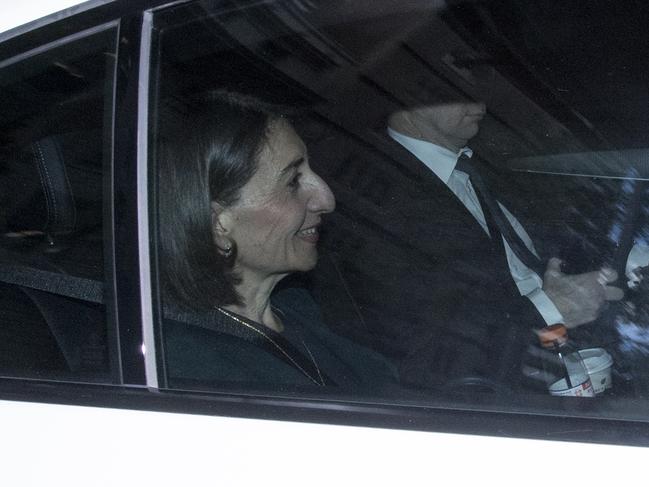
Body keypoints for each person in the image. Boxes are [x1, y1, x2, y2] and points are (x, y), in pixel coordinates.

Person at [316, 98, 624, 391]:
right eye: (458, 94)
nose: (480, 105)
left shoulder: (483, 161)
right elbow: (422, 341)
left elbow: (543, 245)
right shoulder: (377, 200)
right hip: (497, 393)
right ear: (409, 98)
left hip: (577, 352)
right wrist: (549, 308)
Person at [157, 91, 397, 390]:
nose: (326, 199)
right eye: (293, 182)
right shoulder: (193, 370)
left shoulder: (299, 309)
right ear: (219, 223)